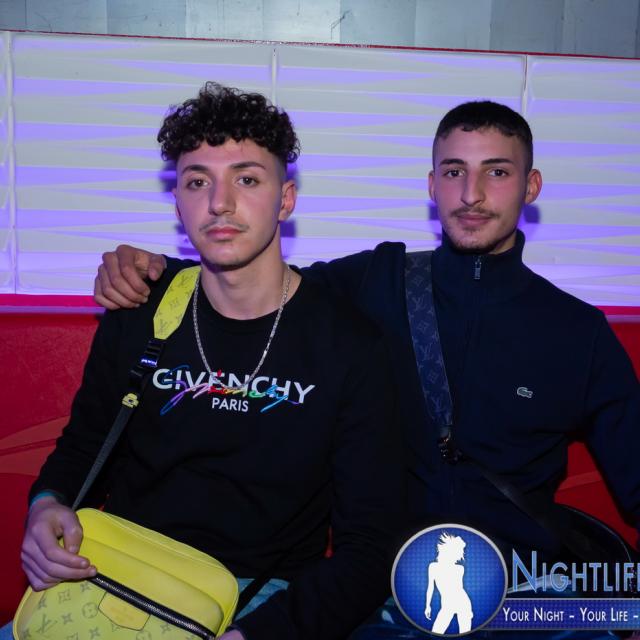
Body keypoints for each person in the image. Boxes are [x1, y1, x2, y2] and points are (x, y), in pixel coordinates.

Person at [94, 100, 640, 637]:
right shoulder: (377, 279)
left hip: (527, 593)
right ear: (432, 186)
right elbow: (249, 279)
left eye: (497, 172)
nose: (471, 194)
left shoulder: (578, 331)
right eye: (454, 172)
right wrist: (151, 270)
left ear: (531, 186)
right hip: (390, 594)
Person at [11, 82, 405, 640]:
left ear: (285, 199)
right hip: (120, 572)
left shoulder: (349, 345)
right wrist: (46, 505)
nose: (220, 203)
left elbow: (370, 546)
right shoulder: (142, 307)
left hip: (260, 598)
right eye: (198, 182)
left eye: (247, 179)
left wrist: (259, 634)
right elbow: (81, 448)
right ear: (178, 203)